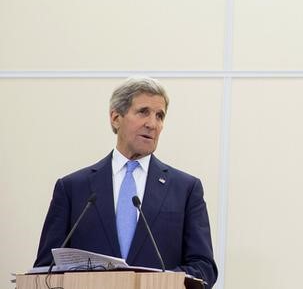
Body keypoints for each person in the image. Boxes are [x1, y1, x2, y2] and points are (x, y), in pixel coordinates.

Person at [34, 77, 218, 287]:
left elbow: (203, 268)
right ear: (115, 118)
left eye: (160, 116)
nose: (152, 124)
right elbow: (45, 269)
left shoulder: (185, 189)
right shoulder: (73, 188)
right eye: (143, 112)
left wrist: (157, 283)